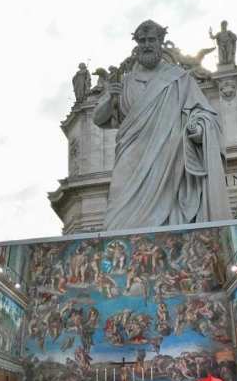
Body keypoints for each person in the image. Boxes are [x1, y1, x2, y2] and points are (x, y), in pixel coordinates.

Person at [92, 19, 228, 230]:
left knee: (168, 214)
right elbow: (98, 119)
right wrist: (110, 97)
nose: (147, 45)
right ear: (137, 44)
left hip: (169, 155)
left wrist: (200, 128)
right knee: (117, 217)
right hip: (130, 154)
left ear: (160, 42)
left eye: (152, 40)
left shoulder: (180, 79)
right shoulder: (124, 81)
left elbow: (203, 112)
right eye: (142, 41)